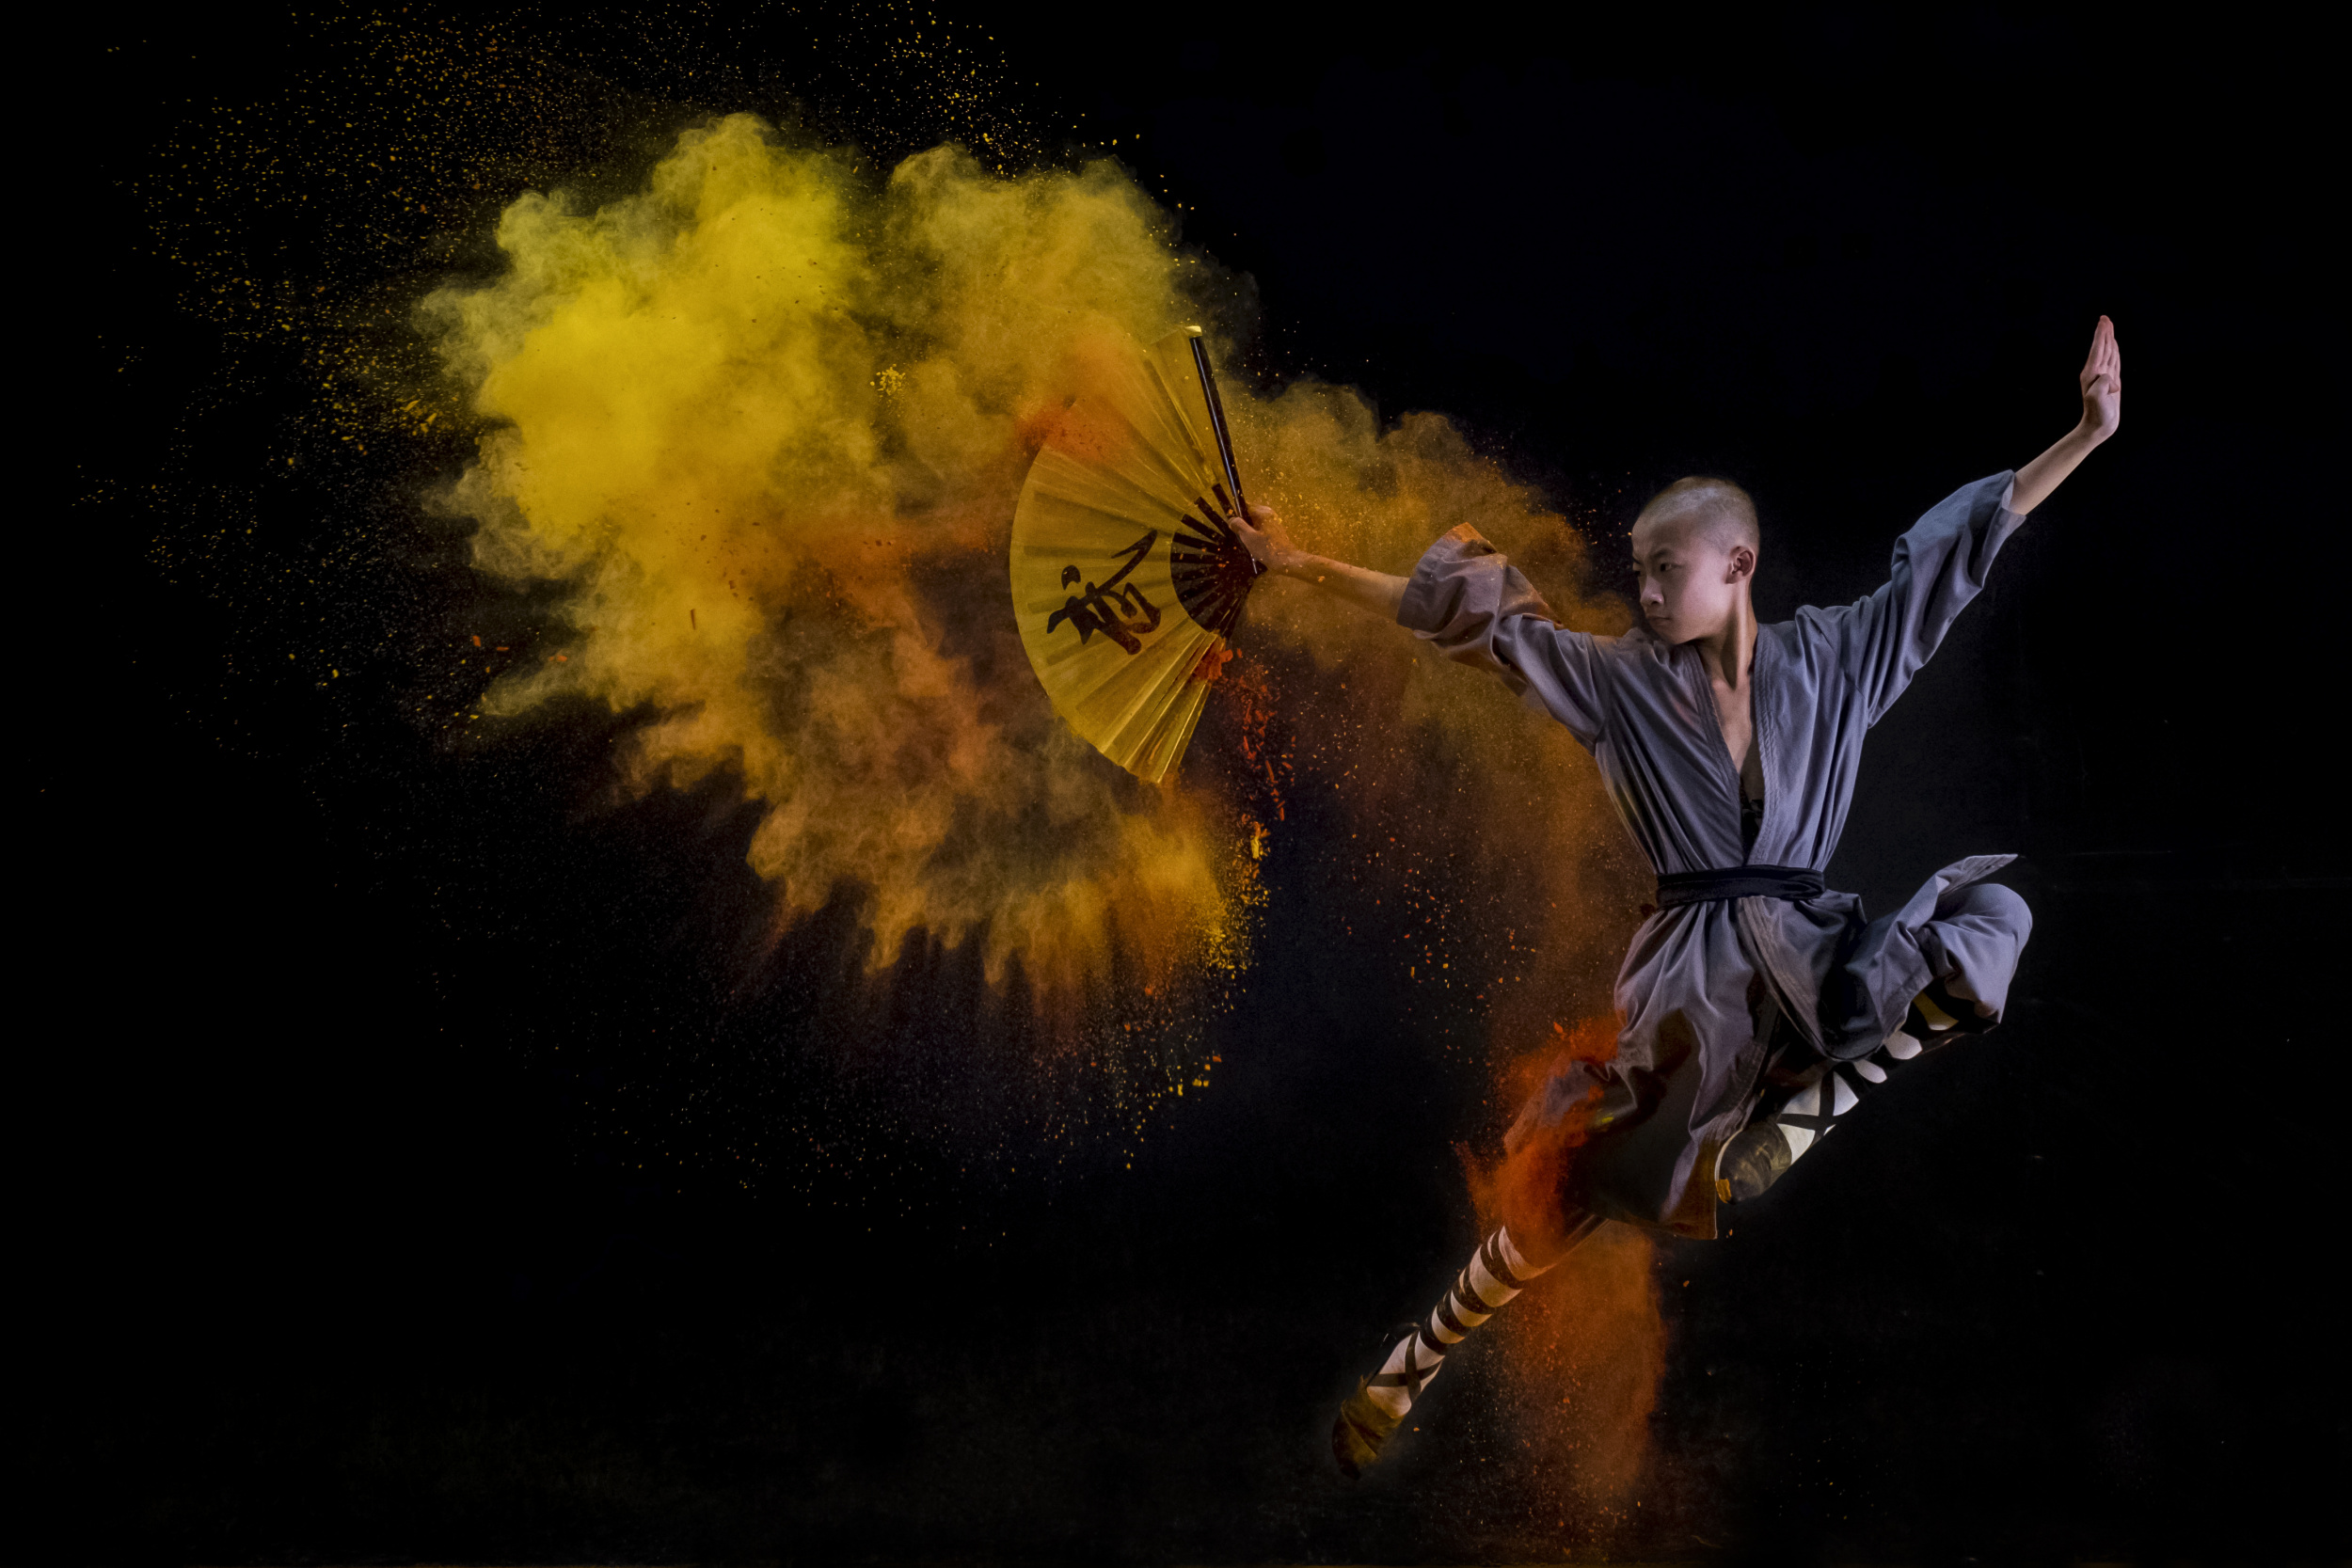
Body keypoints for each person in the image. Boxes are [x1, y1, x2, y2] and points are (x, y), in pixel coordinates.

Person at [1228, 318, 2123, 1479]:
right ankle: (1411, 1362)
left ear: (1737, 565)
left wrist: (2083, 435)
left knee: (1997, 918)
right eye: (1638, 569)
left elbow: (1950, 559)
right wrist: (1293, 563)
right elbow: (1462, 619)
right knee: (1569, 1191)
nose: (1643, 590)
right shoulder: (1614, 681)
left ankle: (1810, 1114)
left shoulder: (1832, 658)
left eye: (1665, 569)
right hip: (1693, 991)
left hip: (1817, 954)